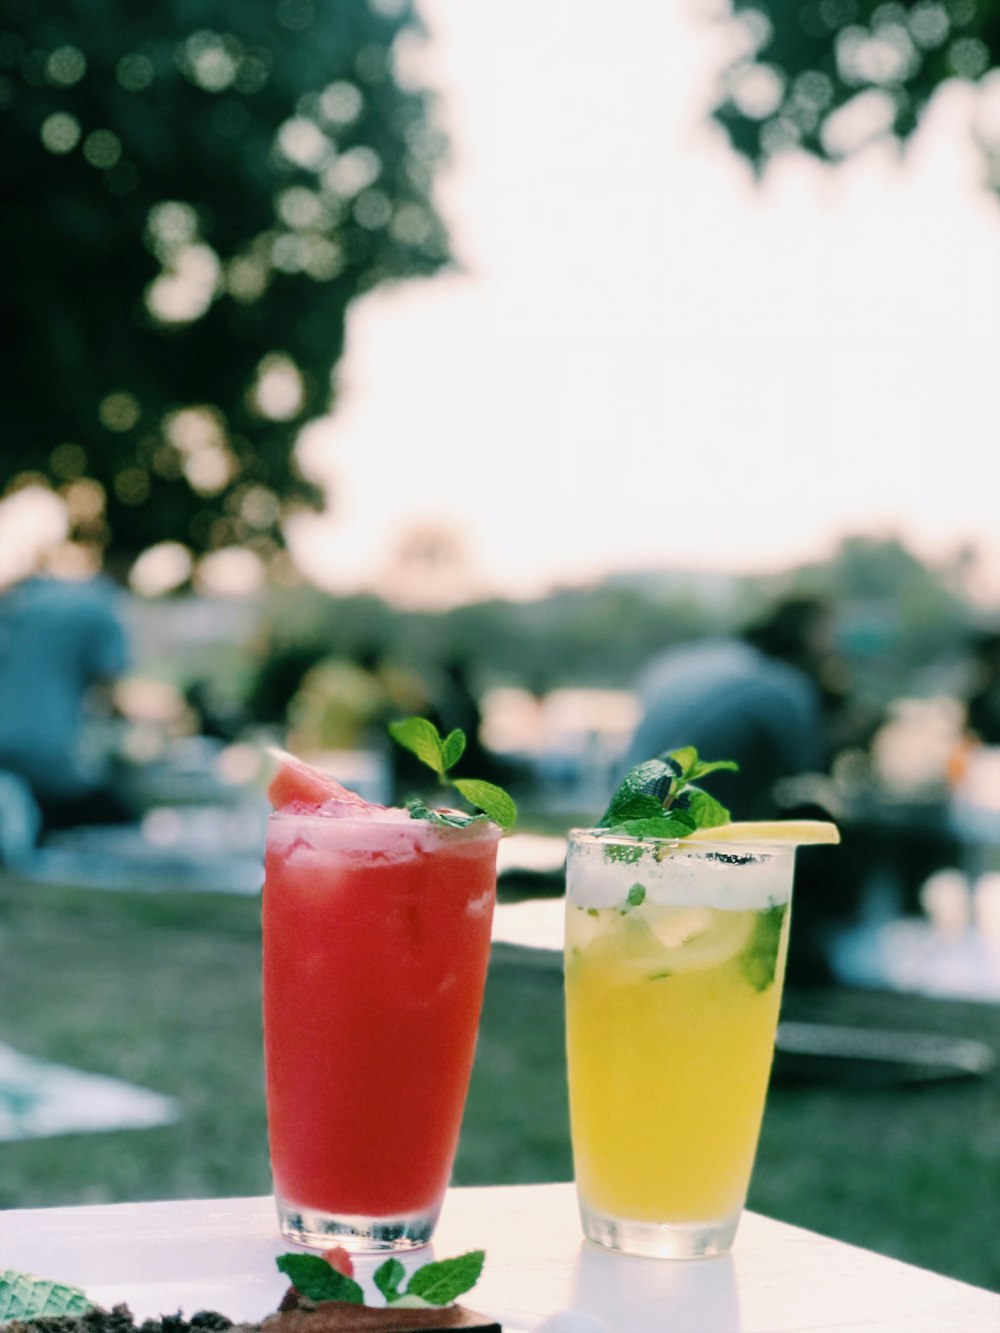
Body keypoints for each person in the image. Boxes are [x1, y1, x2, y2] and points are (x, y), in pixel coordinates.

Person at [620, 596, 841, 820]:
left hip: (626, 797)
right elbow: (807, 769)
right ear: (808, 634)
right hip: (673, 816)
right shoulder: (784, 685)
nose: (835, 647)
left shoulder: (708, 657)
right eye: (830, 633)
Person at [0, 563, 132, 837]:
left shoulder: (27, 601)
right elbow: (108, 683)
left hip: (6, 735)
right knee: (114, 823)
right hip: (51, 748)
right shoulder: (102, 611)